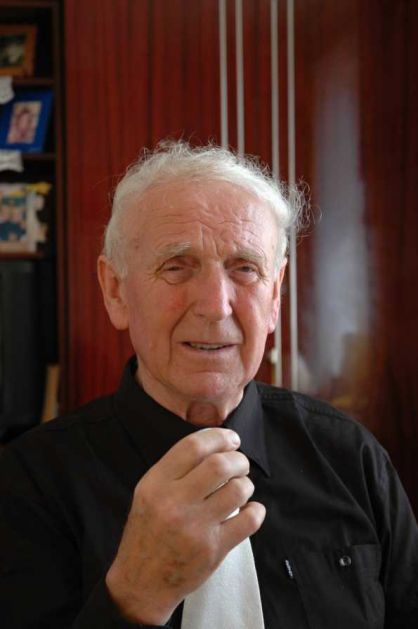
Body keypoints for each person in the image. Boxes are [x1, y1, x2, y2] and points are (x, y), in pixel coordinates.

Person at [0, 141, 417, 629]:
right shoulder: (27, 486)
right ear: (115, 291)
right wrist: (135, 596)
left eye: (245, 269)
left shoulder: (350, 458)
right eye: (177, 266)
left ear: (275, 296)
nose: (216, 306)